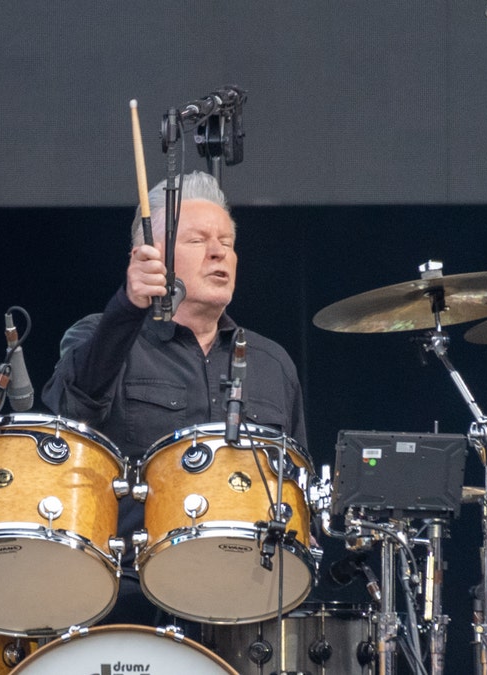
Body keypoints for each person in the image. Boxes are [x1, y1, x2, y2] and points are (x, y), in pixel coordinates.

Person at [41, 171, 308, 626]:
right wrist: (127, 306)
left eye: (226, 240)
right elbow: (70, 419)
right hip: (127, 599)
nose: (219, 251)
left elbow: (299, 488)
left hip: (249, 601)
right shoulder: (100, 336)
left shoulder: (272, 362)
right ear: (150, 258)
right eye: (197, 239)